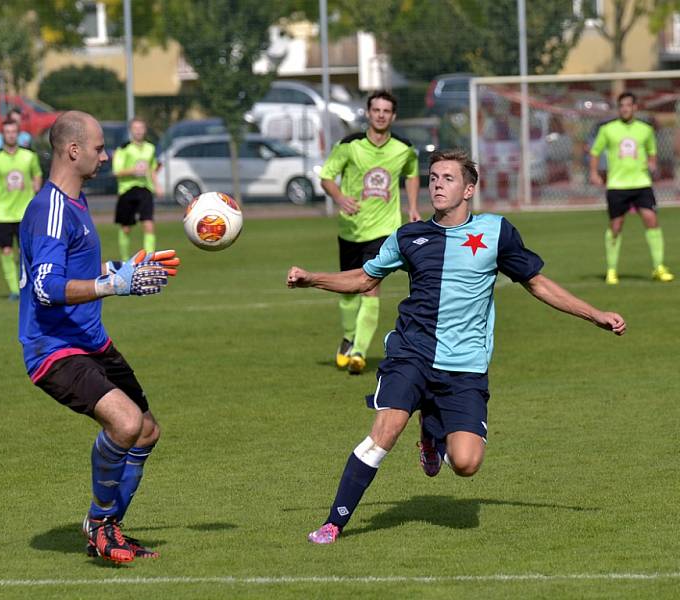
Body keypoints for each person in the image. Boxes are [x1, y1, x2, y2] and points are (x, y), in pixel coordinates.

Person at [287, 150, 626, 545]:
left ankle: (432, 431)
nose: (436, 184)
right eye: (433, 178)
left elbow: (538, 283)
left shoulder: (496, 233)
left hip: (464, 364)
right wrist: (313, 279)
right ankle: (333, 523)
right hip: (411, 352)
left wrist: (594, 314)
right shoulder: (408, 236)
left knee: (465, 464)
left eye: (447, 178)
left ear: (468, 189)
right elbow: (364, 279)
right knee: (386, 429)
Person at [18, 110, 180, 563]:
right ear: (73, 151)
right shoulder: (49, 209)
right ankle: (101, 525)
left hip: (92, 341)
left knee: (146, 432)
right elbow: (46, 288)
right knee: (125, 423)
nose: (106, 156)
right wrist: (112, 286)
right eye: (98, 148)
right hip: (55, 349)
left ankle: (108, 526)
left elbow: (74, 270)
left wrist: (119, 271)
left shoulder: (77, 202)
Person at [320, 90, 420, 375]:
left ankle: (360, 353)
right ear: (368, 113)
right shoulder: (349, 145)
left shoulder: (403, 148)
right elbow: (327, 176)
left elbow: (412, 173)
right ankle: (350, 338)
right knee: (348, 292)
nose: (380, 115)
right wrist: (340, 198)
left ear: (393, 116)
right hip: (351, 229)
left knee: (371, 287)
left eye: (386, 111)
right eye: (376, 110)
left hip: (384, 230)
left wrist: (412, 206)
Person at [589, 92, 674, 284]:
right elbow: (595, 152)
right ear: (618, 108)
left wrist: (652, 164)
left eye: (628, 105)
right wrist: (594, 173)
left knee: (651, 220)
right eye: (622, 106)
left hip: (642, 184)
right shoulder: (608, 129)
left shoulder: (645, 129)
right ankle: (612, 270)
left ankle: (659, 267)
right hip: (617, 186)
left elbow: (652, 152)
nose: (625, 109)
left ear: (635, 107)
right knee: (616, 226)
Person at [0, 118, 43, 299]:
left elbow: (37, 174)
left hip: (26, 212)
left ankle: (29, 285)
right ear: (2, 135)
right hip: (3, 213)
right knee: (6, 250)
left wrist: (37, 184)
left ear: (18, 133)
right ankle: (14, 290)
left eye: (13, 132)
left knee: (26, 251)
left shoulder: (29, 156)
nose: (10, 135)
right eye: (7, 132)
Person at [112, 117, 162, 261]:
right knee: (126, 227)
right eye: (135, 128)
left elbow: (152, 169)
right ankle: (125, 259)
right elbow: (117, 171)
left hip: (144, 189)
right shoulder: (124, 149)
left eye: (141, 128)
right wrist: (133, 170)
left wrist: (157, 185)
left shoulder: (150, 148)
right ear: (131, 130)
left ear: (145, 130)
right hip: (127, 189)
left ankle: (149, 258)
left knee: (148, 224)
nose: (138, 131)